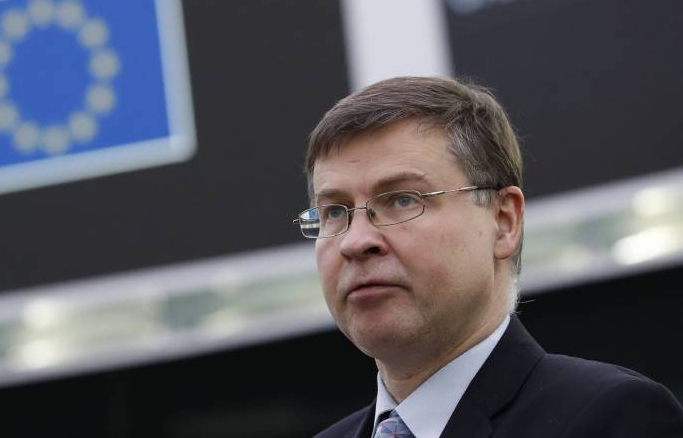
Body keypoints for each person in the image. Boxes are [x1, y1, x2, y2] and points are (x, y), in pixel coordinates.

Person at [293, 76, 683, 438]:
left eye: (403, 200)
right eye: (334, 211)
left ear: (503, 221)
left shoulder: (612, 417)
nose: (356, 241)